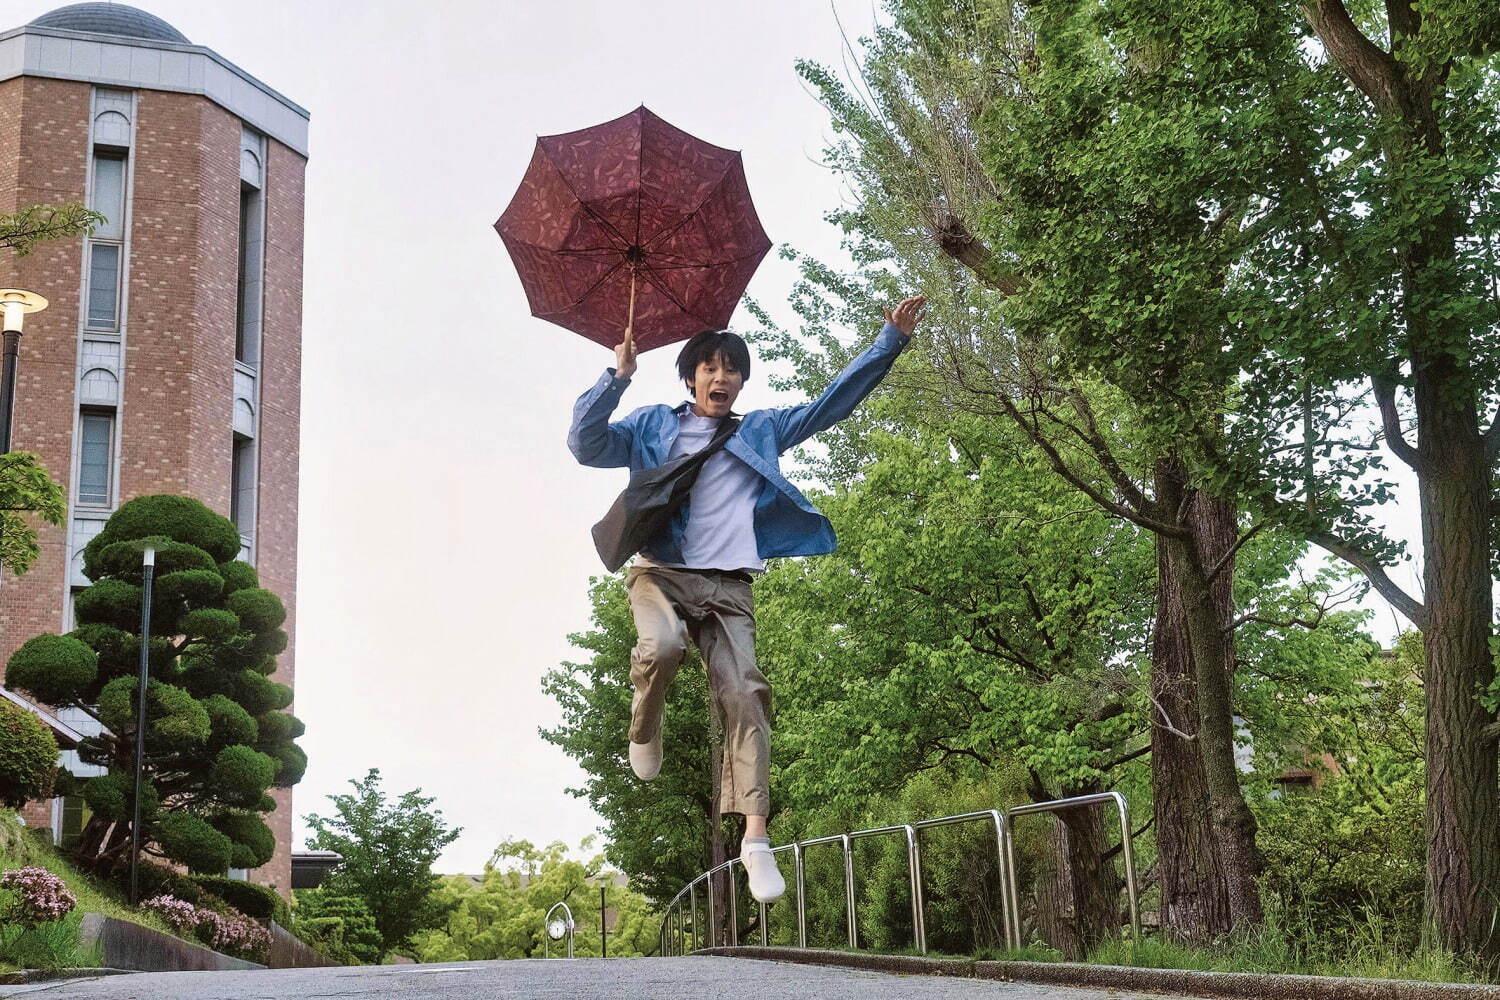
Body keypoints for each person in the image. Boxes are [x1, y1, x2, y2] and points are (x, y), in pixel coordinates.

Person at [568, 295, 926, 902]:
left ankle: (755, 841)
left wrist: (887, 341)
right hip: (661, 572)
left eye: (731, 369)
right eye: (708, 367)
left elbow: (828, 405)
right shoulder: (654, 425)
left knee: (747, 695)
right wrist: (616, 378)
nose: (721, 377)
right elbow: (585, 443)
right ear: (690, 377)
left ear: (740, 382)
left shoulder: (759, 431)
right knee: (662, 644)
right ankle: (644, 725)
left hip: (731, 587)